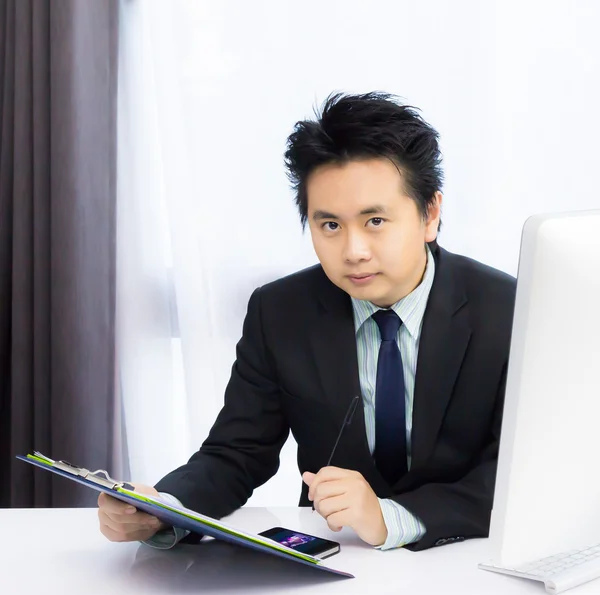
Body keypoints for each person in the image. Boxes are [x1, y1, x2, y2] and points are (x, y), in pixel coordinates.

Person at [98, 92, 516, 552]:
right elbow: (236, 454)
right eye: (330, 226)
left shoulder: (508, 308)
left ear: (430, 213)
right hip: (331, 560)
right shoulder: (280, 311)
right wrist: (162, 509)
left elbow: (521, 471)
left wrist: (390, 517)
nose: (353, 251)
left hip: (467, 561)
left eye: (375, 220)